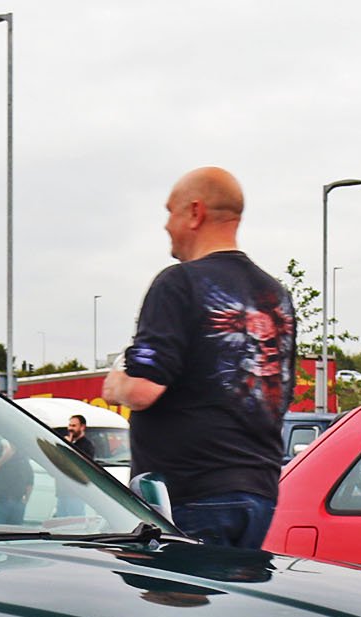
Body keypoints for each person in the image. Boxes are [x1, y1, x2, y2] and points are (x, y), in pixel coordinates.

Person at [103, 166, 295, 549]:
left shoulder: (178, 283)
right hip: (259, 495)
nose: (165, 225)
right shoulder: (277, 296)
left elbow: (143, 389)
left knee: (172, 608)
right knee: (233, 606)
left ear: (195, 212)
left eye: (169, 211)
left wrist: (114, 385)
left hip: (189, 495)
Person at [0, 434, 33, 524]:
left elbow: (30, 481)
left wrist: (25, 500)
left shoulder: (22, 458)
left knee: (15, 535)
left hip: (18, 504)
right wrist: (6, 456)